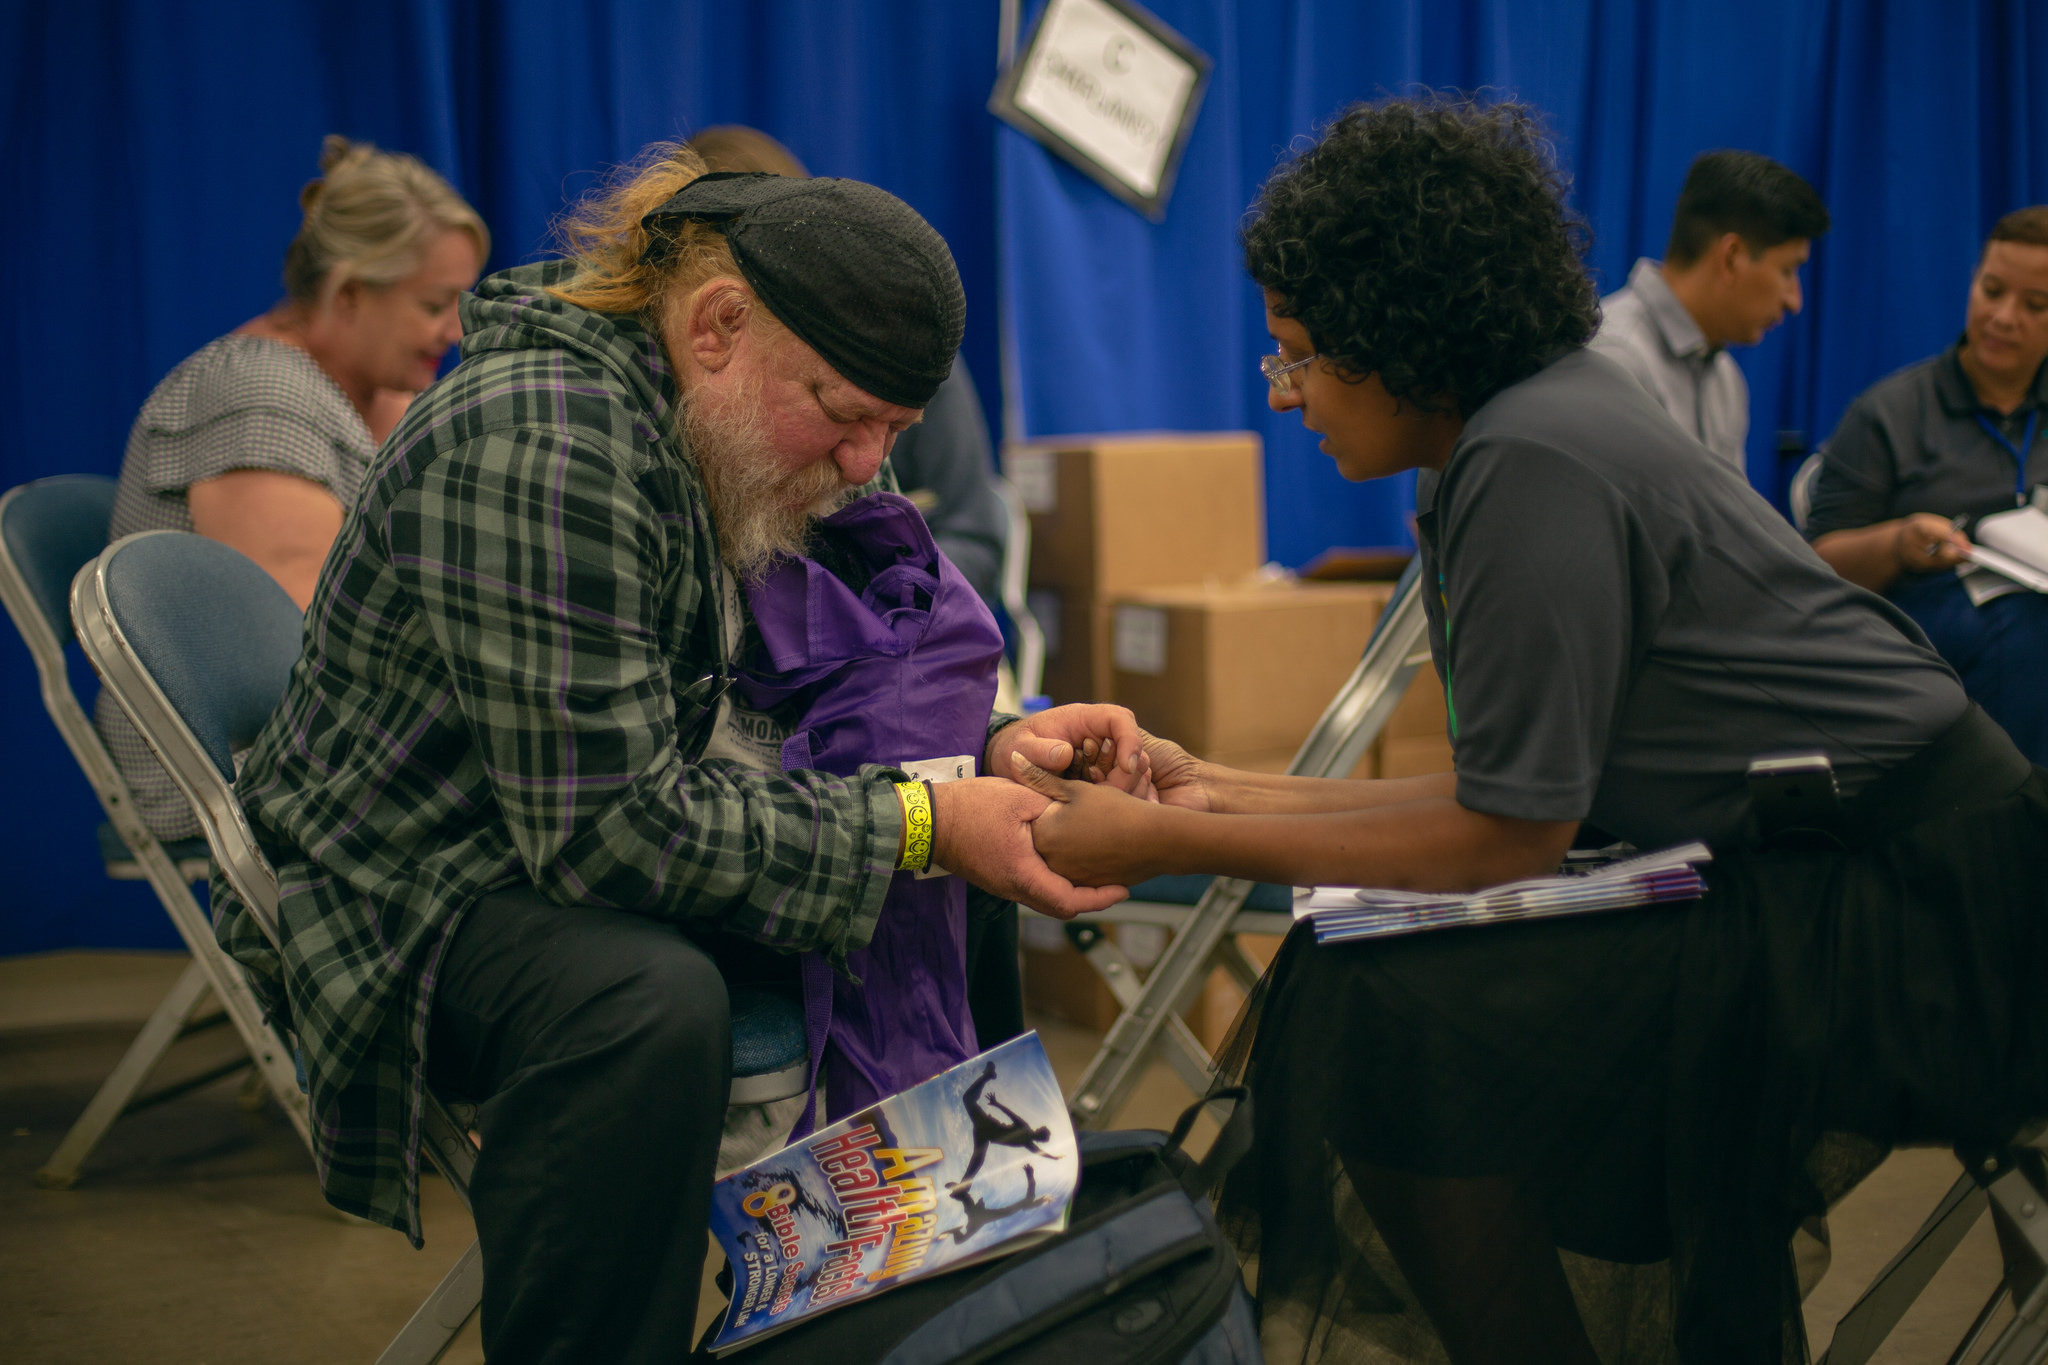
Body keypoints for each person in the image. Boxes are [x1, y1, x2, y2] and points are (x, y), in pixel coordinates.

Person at [1012, 96, 2048, 1365]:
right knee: (1373, 989)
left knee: (1381, 1013)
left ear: (1395, 337)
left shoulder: (1532, 457)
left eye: (1295, 355)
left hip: (1920, 914)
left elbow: (1504, 833)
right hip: (1815, 869)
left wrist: (1174, 834)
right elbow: (1503, 790)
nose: (1284, 396)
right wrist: (1207, 790)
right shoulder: (1510, 433)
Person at [214, 141, 1137, 1363]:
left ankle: (928, 1299)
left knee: (951, 876)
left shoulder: (712, 416)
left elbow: (816, 695)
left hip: (554, 826)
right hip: (412, 891)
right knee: (644, 1000)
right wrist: (922, 817)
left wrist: (994, 750)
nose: (868, 467)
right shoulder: (542, 449)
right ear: (714, 326)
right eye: (847, 419)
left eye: (892, 431)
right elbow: (611, 831)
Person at [96, 135, 487, 839]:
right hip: (230, 766)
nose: (456, 329)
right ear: (348, 293)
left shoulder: (380, 386)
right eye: (436, 303)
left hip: (334, 736)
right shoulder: (258, 397)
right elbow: (300, 658)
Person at [1804, 207, 2048, 763]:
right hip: (1925, 637)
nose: (2004, 317)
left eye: (2035, 306)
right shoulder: (1890, 413)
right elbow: (1814, 568)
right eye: (1992, 291)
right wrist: (1897, 543)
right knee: (2026, 638)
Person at [1590, 149, 1829, 477]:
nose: (1794, 300)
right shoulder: (1614, 357)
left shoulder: (1726, 379)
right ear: (1731, 258)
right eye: (1788, 270)